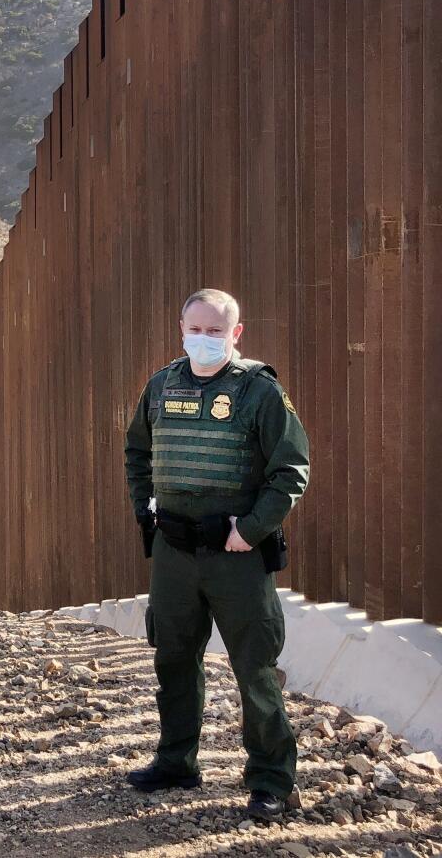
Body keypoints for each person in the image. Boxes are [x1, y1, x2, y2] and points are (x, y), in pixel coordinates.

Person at [123, 288, 310, 821]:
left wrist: (250, 531)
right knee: (173, 661)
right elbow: (137, 452)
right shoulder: (160, 386)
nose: (203, 340)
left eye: (215, 331)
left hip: (236, 557)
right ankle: (176, 762)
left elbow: (291, 470)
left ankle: (271, 779)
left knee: (254, 668)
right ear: (180, 326)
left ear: (237, 333)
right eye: (195, 329)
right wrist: (146, 510)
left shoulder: (259, 392)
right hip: (175, 555)